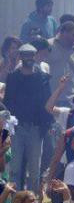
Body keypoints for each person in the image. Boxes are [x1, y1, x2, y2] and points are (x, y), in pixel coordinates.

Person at [5, 45, 53, 190]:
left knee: (34, 171)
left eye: (31, 55)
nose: (28, 58)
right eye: (25, 55)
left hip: (35, 128)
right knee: (15, 169)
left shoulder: (42, 77)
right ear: (21, 56)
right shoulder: (13, 77)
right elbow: (7, 102)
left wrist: (47, 125)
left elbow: (48, 102)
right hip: (17, 129)